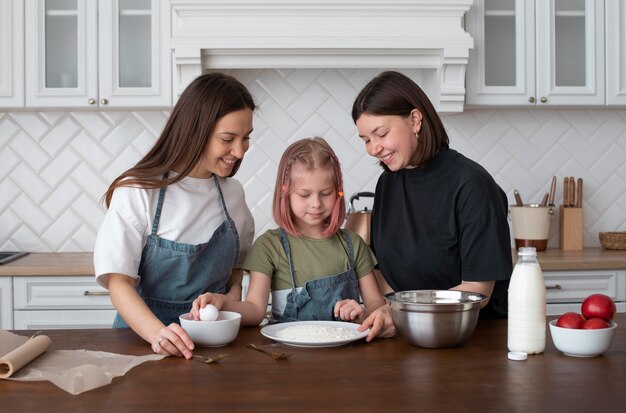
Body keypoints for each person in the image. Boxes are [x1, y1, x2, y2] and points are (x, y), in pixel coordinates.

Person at [93, 72, 256, 359]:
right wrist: (158, 334)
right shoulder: (139, 190)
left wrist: (229, 300)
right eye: (228, 139)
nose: (239, 151)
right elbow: (119, 283)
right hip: (144, 344)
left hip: (216, 347)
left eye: (245, 138)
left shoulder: (233, 194)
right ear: (195, 131)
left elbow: (236, 269)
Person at [351, 71, 512, 336]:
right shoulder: (387, 183)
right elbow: (384, 273)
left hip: (473, 341)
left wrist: (401, 314)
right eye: (366, 140)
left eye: (380, 134)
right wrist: (380, 311)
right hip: (409, 336)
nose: (373, 149)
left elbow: (477, 290)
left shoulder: (472, 185)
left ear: (415, 120)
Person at [191, 137, 395, 341]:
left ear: (338, 193)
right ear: (285, 193)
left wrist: (361, 314)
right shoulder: (270, 246)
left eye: (326, 193)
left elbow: (376, 304)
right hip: (288, 358)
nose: (316, 203)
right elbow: (254, 310)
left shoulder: (353, 244)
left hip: (347, 355)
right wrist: (222, 303)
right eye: (304, 194)